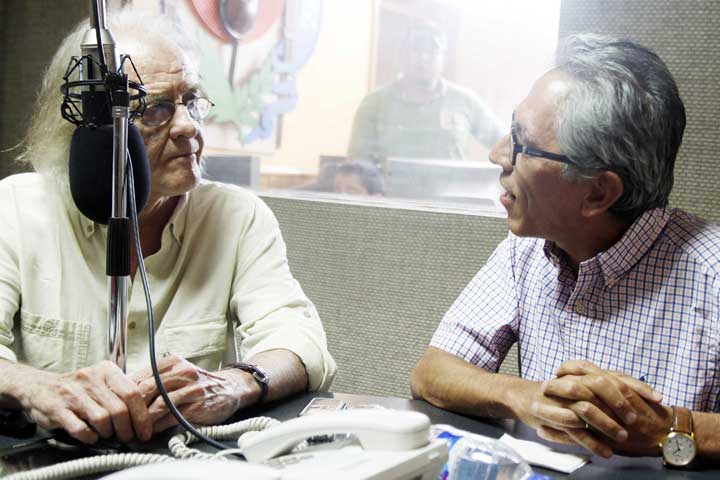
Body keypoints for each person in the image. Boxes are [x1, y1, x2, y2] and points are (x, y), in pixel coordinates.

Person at [0, 10, 335, 445]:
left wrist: (235, 383)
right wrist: (34, 386)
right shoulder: (18, 208)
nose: (188, 126)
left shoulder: (235, 216)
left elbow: (300, 343)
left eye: (191, 101)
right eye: (156, 109)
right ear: (89, 128)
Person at [411, 34, 720, 464]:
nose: (497, 155)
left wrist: (667, 429)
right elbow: (431, 372)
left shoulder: (711, 273)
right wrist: (525, 397)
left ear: (597, 192)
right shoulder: (526, 251)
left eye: (521, 143)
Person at [347, 22, 504, 168]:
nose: (423, 58)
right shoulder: (375, 103)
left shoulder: (465, 102)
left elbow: (507, 144)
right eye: (416, 50)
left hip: (451, 189)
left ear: (444, 59)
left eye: (432, 51)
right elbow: (357, 167)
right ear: (402, 55)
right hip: (391, 189)